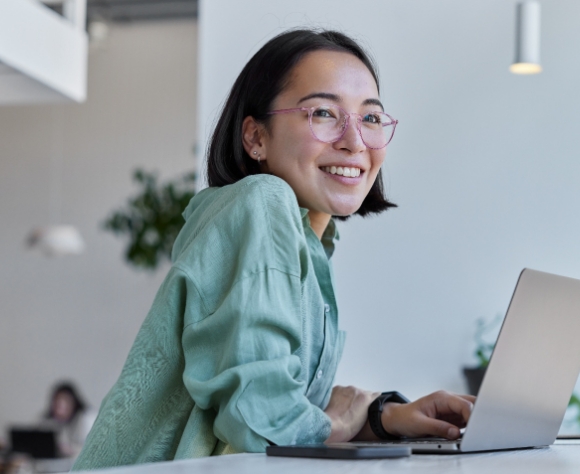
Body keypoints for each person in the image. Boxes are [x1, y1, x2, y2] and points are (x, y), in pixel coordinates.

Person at [72, 28, 475, 470]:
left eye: (371, 118)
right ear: (255, 138)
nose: (355, 141)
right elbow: (261, 422)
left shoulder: (310, 243)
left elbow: (284, 415)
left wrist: (384, 417)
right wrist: (341, 420)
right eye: (323, 112)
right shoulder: (261, 201)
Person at [40, 382, 96, 458]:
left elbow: (94, 449)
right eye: (57, 405)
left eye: (64, 403)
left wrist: (73, 450)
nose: (60, 411)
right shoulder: (55, 422)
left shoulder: (88, 418)